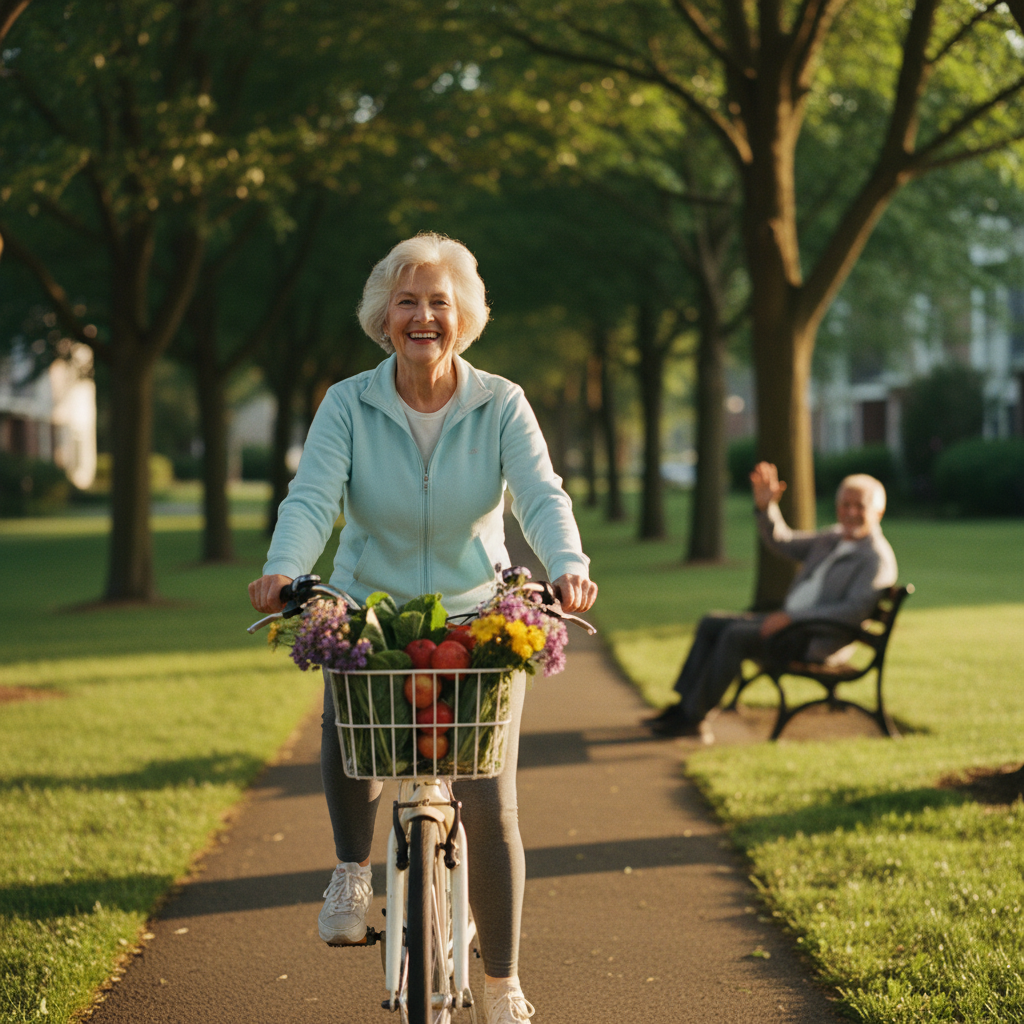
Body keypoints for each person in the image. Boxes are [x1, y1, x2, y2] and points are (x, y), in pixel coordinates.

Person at [248, 232, 597, 1024]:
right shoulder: (349, 402)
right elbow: (312, 497)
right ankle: (349, 871)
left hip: (476, 613)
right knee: (352, 711)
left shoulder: (501, 401)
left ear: (464, 318)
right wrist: (283, 567)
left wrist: (567, 563)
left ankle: (504, 984)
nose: (423, 317)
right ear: (383, 317)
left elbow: (540, 493)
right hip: (373, 605)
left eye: (440, 302)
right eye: (407, 301)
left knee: (487, 795)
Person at [647, 461, 897, 739]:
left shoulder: (875, 558)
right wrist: (767, 508)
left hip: (814, 640)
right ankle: (684, 706)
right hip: (789, 625)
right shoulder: (833, 537)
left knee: (735, 636)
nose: (850, 512)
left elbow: (852, 612)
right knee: (711, 622)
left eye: (859, 506)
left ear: (878, 511)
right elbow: (783, 542)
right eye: (845, 504)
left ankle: (694, 718)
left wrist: (791, 618)